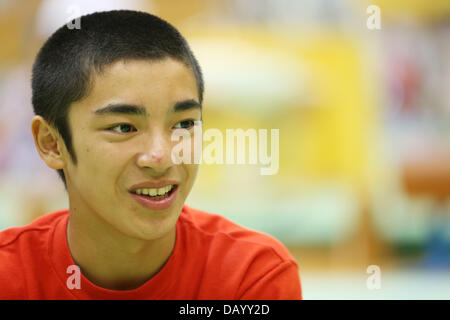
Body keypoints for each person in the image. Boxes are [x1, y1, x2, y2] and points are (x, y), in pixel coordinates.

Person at [0, 10, 302, 299]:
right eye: (123, 127)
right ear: (52, 143)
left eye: (183, 124)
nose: (162, 157)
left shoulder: (250, 276)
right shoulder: (10, 277)